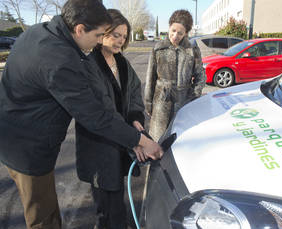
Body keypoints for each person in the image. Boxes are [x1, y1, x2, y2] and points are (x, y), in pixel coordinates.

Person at [0, 0, 163, 228]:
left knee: (46, 210)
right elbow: (96, 116)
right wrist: (140, 141)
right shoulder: (60, 60)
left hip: (15, 132)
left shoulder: (42, 32)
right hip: (27, 147)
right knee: (43, 217)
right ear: (79, 29)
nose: (99, 41)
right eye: (98, 35)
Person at [75, 9, 145, 229]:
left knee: (116, 196)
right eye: (115, 34)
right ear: (103, 32)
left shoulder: (122, 64)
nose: (120, 41)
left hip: (120, 139)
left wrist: (135, 117)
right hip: (99, 144)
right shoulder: (89, 65)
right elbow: (103, 110)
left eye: (123, 37)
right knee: (108, 204)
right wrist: (136, 139)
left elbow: (135, 91)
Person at [144, 9, 205, 141]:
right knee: (157, 138)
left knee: (180, 137)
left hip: (183, 101)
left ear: (186, 33)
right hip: (161, 100)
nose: (175, 35)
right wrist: (148, 103)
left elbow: (200, 76)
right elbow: (150, 78)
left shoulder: (192, 50)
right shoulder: (159, 48)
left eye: (180, 33)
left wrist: (192, 97)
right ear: (169, 27)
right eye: (173, 31)